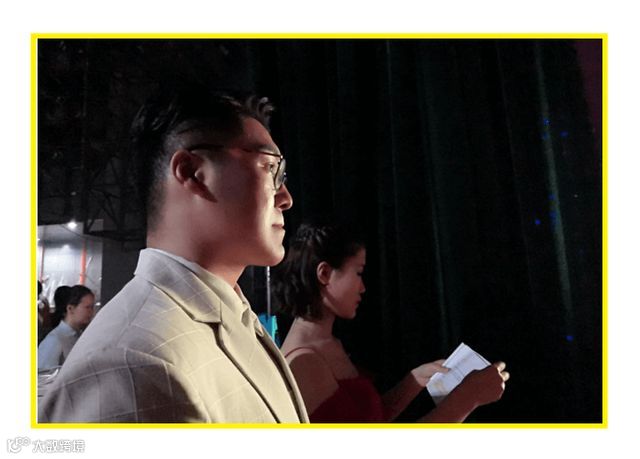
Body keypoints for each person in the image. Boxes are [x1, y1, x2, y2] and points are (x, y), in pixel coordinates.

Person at [38, 84, 308, 423]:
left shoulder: (228, 316)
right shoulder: (131, 364)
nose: (286, 198)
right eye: (270, 169)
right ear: (193, 173)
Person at [273, 223, 510, 423]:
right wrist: (467, 398)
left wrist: (413, 381)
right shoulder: (304, 362)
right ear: (324, 274)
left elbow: (366, 420)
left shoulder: (325, 343)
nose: (363, 287)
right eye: (358, 273)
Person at [38, 285, 95, 371]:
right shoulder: (54, 340)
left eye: (92, 307)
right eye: (87, 307)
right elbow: (44, 375)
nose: (91, 312)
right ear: (70, 308)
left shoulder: (80, 336)